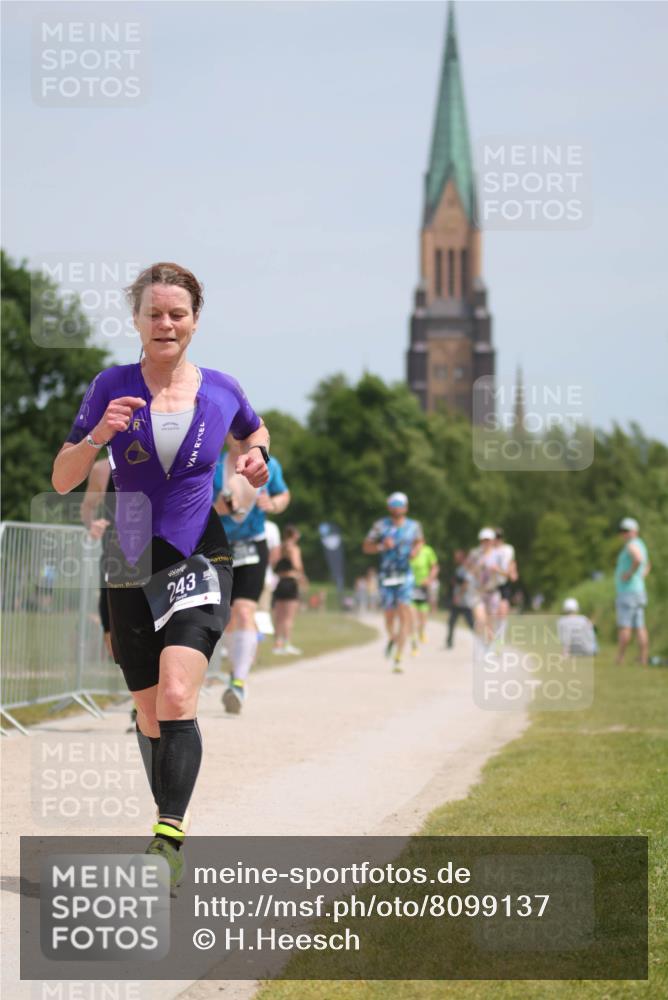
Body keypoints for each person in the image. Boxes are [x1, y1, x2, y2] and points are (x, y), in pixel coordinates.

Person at [52, 262, 270, 892]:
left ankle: (167, 837)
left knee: (178, 695)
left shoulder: (222, 388)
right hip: (127, 554)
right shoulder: (109, 385)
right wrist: (97, 435)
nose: (165, 323)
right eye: (154, 313)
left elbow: (255, 434)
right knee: (148, 713)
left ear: (195, 320)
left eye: (177, 313)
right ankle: (169, 820)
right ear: (138, 320)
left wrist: (255, 458)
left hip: (199, 551)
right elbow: (63, 479)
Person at [213, 438, 290, 712]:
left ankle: (239, 683)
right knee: (224, 617)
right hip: (216, 546)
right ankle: (227, 668)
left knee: (244, 611)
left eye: (245, 433)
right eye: (234, 432)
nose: (240, 439)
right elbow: (191, 505)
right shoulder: (212, 463)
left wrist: (274, 504)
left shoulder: (269, 464)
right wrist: (215, 509)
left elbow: (283, 495)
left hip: (253, 546)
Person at [363, 492, 423, 673]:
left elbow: (420, 542)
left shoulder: (414, 526)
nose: (397, 508)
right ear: (389, 507)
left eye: (400, 505)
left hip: (405, 574)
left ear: (406, 507)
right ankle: (393, 637)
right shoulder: (380, 526)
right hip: (387, 575)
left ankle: (399, 656)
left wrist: (415, 551)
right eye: (394, 504)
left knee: (404, 611)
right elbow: (366, 547)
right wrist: (382, 546)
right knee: (389, 615)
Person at [615, 517, 651, 665]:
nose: (624, 533)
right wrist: (640, 576)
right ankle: (643, 658)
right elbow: (647, 564)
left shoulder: (631, 545)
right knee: (640, 626)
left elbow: (638, 559)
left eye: (627, 530)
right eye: (622, 530)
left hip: (628, 591)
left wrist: (630, 574)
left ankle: (620, 658)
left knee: (625, 625)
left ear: (634, 531)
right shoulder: (641, 544)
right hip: (639, 590)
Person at [467, 527, 504, 647]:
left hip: (492, 592)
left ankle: (489, 643)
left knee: (490, 622)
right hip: (478, 592)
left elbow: (506, 573)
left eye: (488, 540)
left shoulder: (499, 554)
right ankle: (483, 642)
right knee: (481, 620)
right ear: (480, 540)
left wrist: (497, 569)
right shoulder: (475, 553)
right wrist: (478, 566)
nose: (486, 542)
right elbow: (469, 569)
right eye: (484, 540)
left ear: (493, 540)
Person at [272, 526, 306, 655]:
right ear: (295, 535)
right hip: (291, 582)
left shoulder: (279, 547)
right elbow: (297, 565)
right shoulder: (294, 548)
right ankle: (287, 644)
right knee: (288, 618)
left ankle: (277, 644)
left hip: (280, 582)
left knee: (279, 616)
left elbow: (274, 564)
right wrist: (302, 575)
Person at [409, 537, 439, 647]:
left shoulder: (428, 551)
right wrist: (412, 555)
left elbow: (435, 567)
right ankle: (412, 638)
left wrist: (430, 579)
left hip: (423, 587)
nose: (418, 544)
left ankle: (421, 631)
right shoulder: (408, 551)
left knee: (423, 614)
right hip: (410, 586)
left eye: (420, 542)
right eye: (415, 542)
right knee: (411, 614)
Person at [446, 549, 475, 649]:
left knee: (471, 623)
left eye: (457, 557)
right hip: (459, 601)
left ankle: (481, 641)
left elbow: (465, 584)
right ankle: (449, 641)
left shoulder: (467, 569)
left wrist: (458, 596)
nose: (455, 559)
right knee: (451, 621)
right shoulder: (459, 569)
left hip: (464, 601)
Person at [494, 527, 518, 642]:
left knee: (503, 610)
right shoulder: (490, 551)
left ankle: (500, 638)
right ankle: (493, 636)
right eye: (495, 537)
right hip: (492, 585)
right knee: (494, 612)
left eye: (499, 537)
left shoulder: (508, 549)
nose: (497, 539)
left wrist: (513, 571)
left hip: (504, 583)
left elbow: (512, 562)